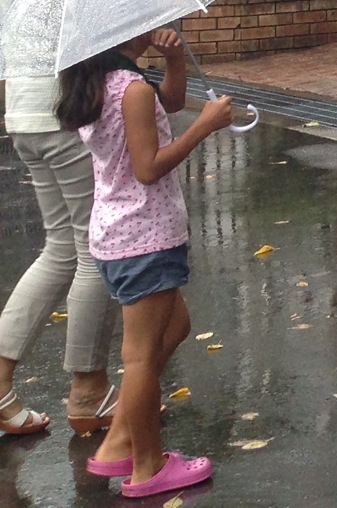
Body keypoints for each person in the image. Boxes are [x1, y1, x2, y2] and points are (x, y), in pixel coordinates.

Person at [57, 27, 235, 498]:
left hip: (122, 235)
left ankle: (119, 443)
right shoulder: (130, 90)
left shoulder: (106, 81)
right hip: (144, 239)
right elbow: (148, 166)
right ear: (122, 28)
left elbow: (168, 104)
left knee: (175, 327)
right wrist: (206, 126)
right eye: (145, 18)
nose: (158, 23)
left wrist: (174, 62)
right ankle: (147, 468)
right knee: (139, 359)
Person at [0, 0, 124, 439]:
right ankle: (88, 392)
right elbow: (86, 5)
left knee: (59, 248)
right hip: (62, 109)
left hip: (23, 109)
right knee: (94, 249)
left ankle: (0, 385)